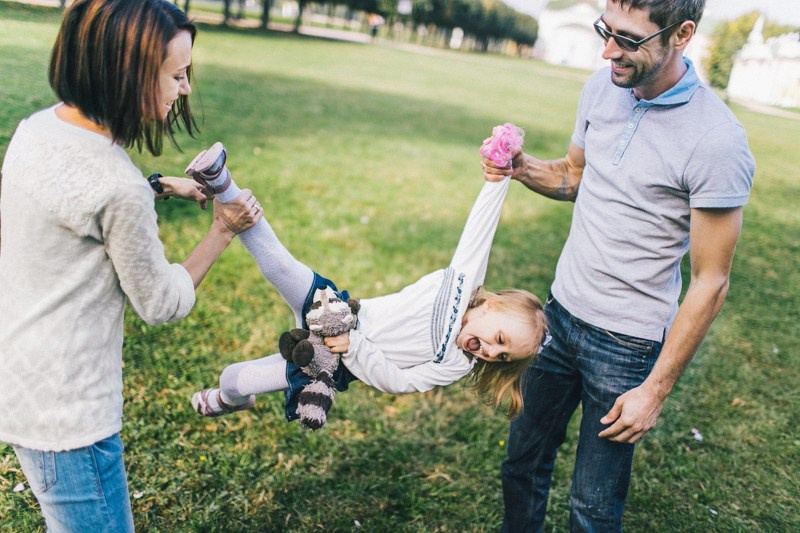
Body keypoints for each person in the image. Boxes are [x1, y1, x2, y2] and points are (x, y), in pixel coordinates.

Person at [480, 1, 756, 530]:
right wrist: (520, 167)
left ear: (683, 34)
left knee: (592, 506)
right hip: (557, 320)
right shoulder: (602, 86)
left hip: (626, 348)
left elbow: (711, 281)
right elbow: (576, 175)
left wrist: (654, 390)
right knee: (521, 464)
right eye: (605, 31)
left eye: (628, 39)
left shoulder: (717, 141)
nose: (608, 51)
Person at [0, 1, 261, 531]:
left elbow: (75, 204)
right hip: (70, 418)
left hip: (21, 387)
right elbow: (161, 302)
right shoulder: (116, 187)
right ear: (130, 76)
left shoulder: (38, 129)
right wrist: (222, 231)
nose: (185, 89)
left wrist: (161, 184)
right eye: (177, 75)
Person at [188, 142, 548, 424]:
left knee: (233, 379)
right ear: (490, 305)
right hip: (336, 311)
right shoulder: (462, 287)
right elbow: (480, 233)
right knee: (281, 266)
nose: (489, 351)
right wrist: (498, 177)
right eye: (498, 340)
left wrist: (354, 347)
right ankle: (222, 183)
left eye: (501, 357)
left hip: (333, 360)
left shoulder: (456, 363)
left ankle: (226, 402)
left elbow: (398, 382)